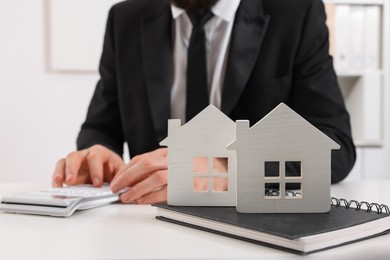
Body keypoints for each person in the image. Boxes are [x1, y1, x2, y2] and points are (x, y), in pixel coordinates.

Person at [52, 0, 356, 204]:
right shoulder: (126, 18)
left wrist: (230, 170)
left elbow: (335, 145)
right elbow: (101, 126)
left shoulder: (295, 12)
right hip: (146, 225)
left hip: (252, 229)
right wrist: (99, 153)